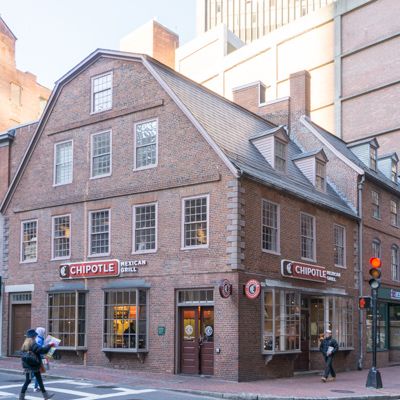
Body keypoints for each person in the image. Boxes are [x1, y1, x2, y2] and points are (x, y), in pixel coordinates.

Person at [20, 329, 55, 400]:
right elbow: (42, 350)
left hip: (28, 365)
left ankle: (45, 395)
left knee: (36, 380)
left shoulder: (25, 344)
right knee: (30, 381)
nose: (36, 336)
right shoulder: (32, 344)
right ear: (33, 336)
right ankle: (21, 397)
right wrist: (49, 345)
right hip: (33, 365)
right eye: (35, 335)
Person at [33, 327, 46, 392]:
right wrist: (42, 356)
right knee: (37, 373)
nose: (44, 333)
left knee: (34, 373)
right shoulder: (40, 340)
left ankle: (26, 385)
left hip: (35, 357)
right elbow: (38, 349)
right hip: (38, 358)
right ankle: (35, 387)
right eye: (43, 332)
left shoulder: (36, 338)